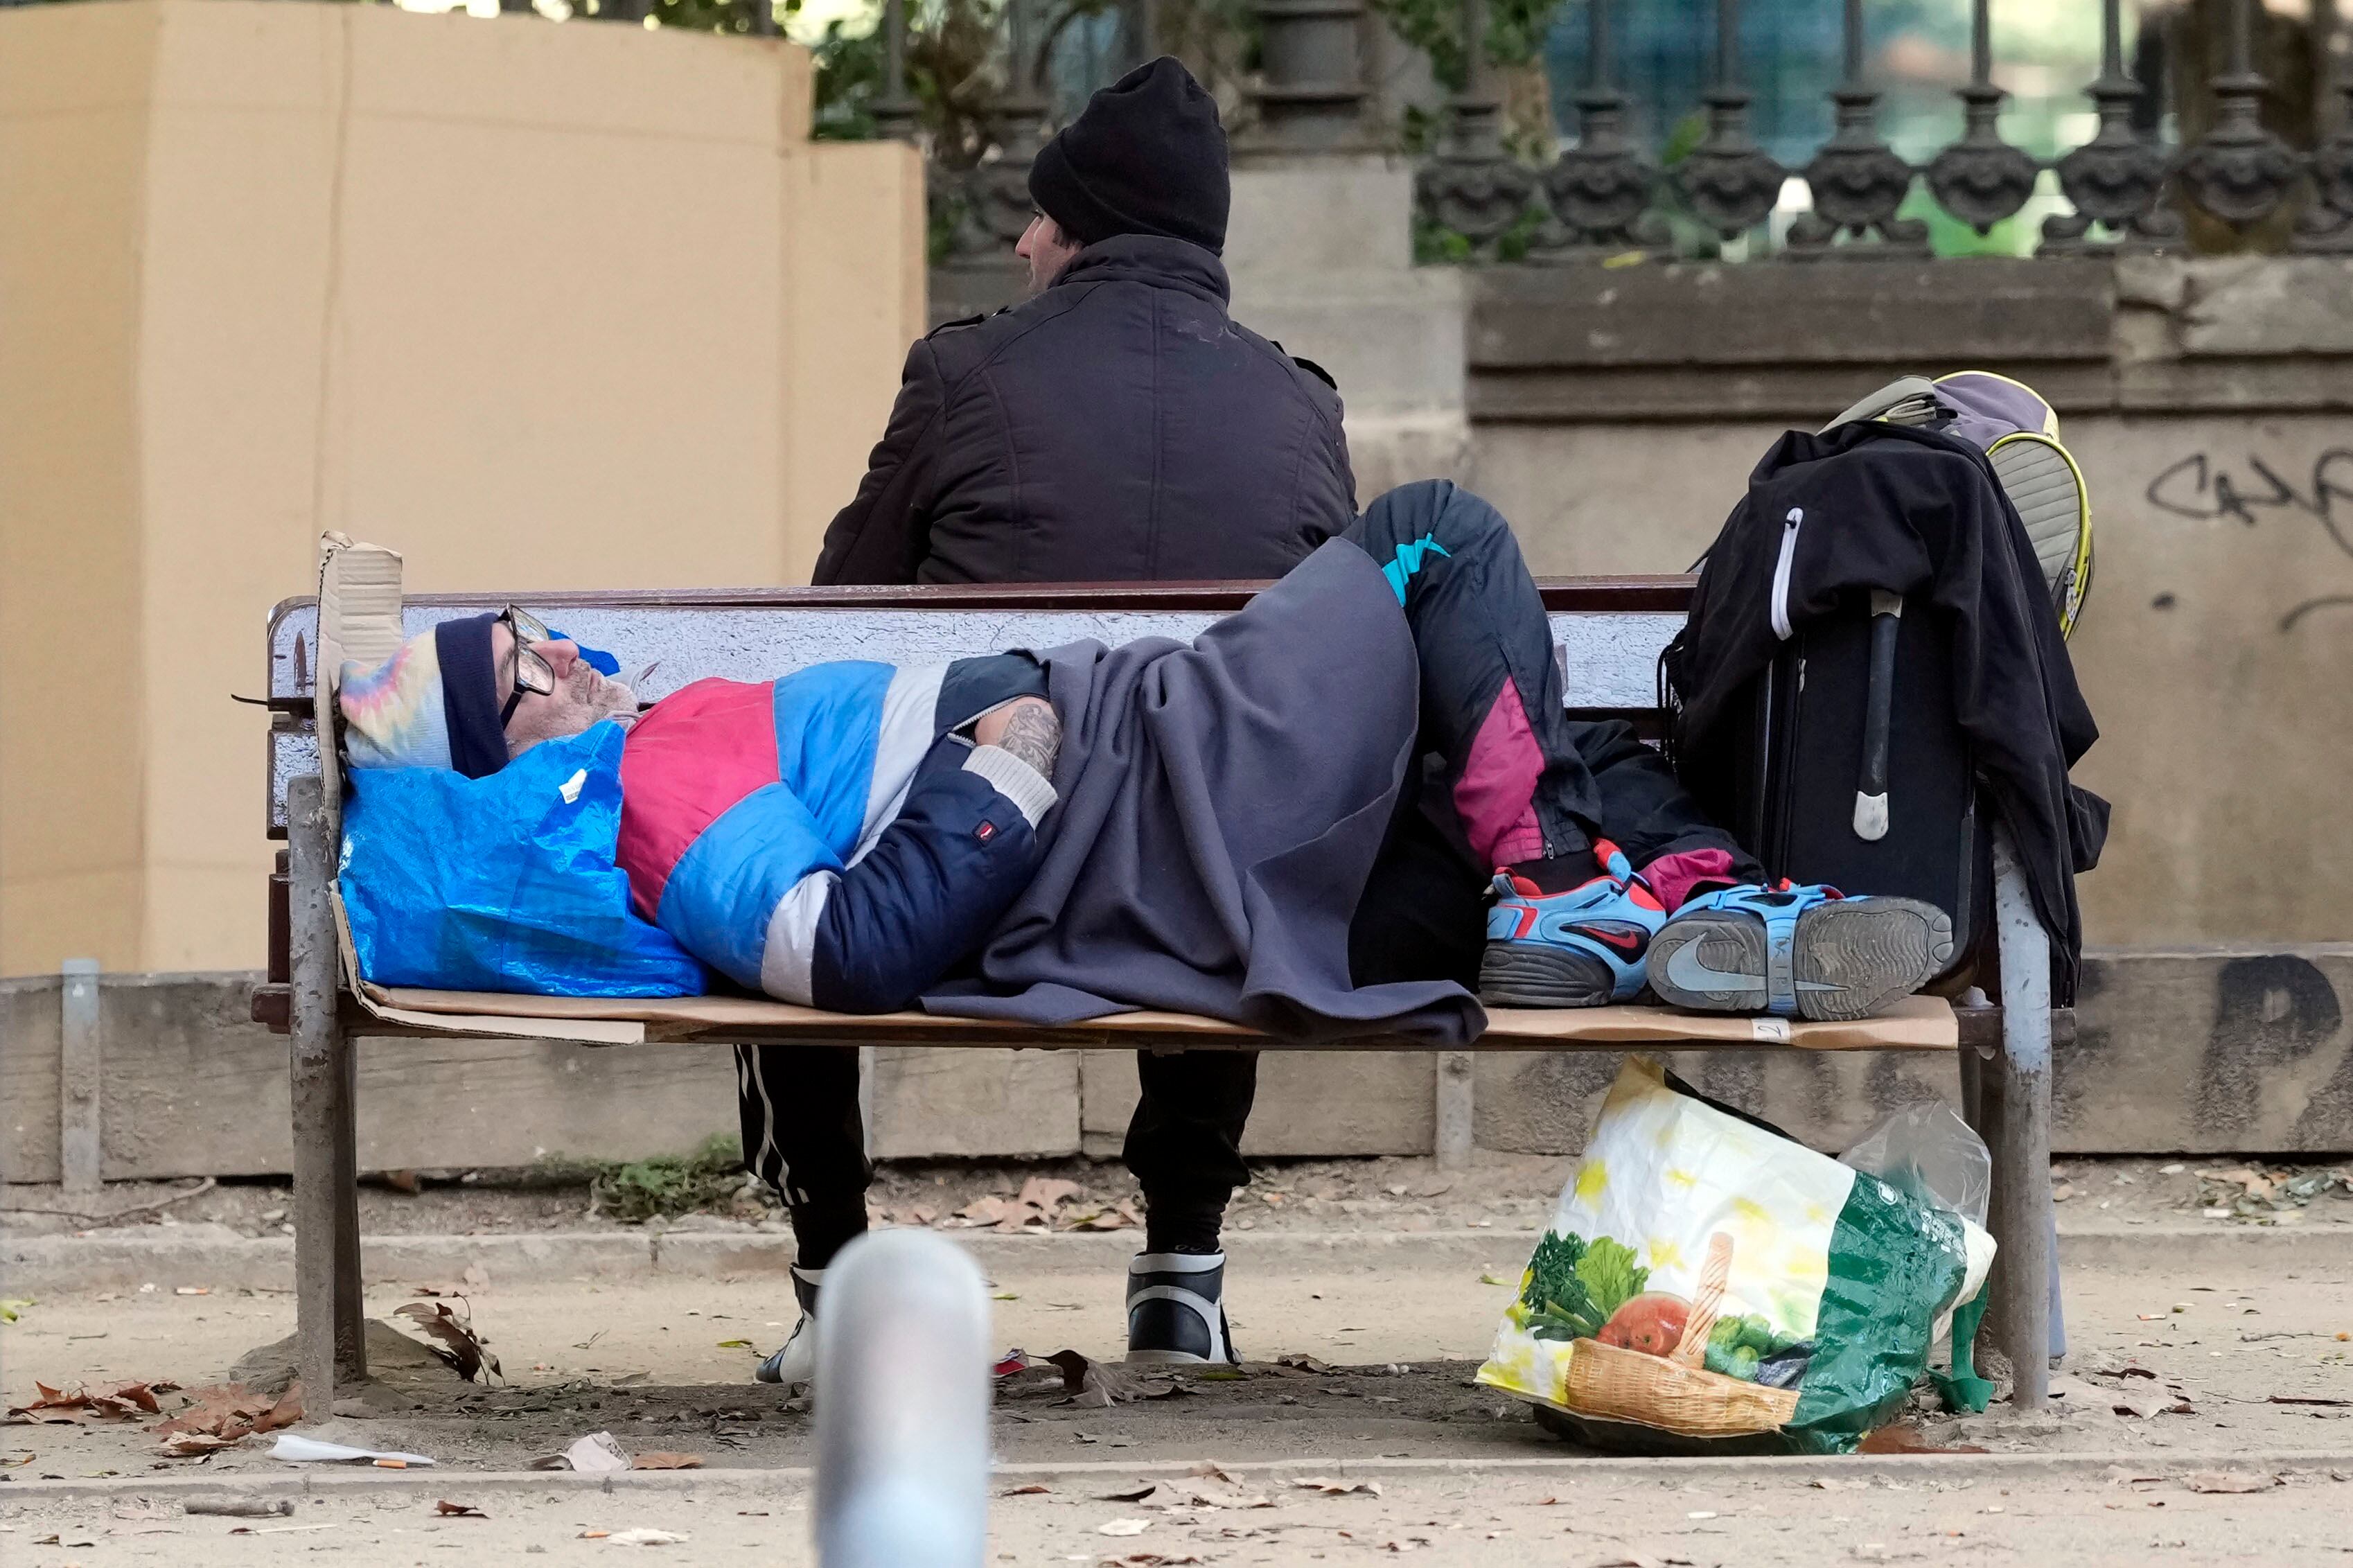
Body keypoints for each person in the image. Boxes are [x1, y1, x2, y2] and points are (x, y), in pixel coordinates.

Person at [339, 483, 1952, 1380]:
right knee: (1434, 536)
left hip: (1186, 822)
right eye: (516, 665)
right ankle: (1582, 891)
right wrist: (1005, 757)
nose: (558, 647)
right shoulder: (648, 778)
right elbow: (844, 954)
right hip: (1141, 782)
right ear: (513, 749)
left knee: (1537, 750)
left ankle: (1653, 904)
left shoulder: (666, 748)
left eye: (533, 631)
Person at [809, 56, 1353, 586]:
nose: (1025, 245)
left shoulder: (962, 374)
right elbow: (1350, 621)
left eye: (1042, 217)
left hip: (1016, 682)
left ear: (1086, 227)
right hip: (1226, 683)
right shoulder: (1309, 409)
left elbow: (846, 601)